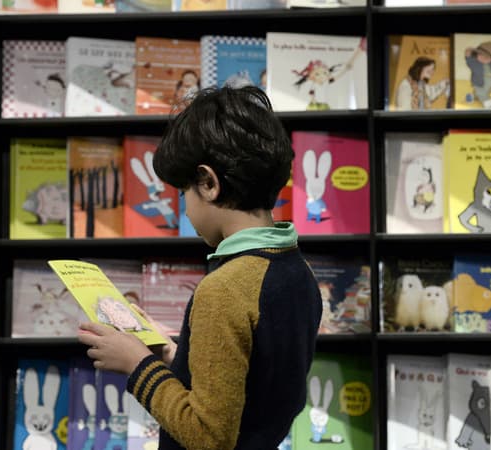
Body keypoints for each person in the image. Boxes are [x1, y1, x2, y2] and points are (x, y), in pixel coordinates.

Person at [78, 86, 323, 450]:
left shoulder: (224, 289)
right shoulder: (297, 272)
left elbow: (209, 436)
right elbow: (259, 384)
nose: (185, 210)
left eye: (183, 193)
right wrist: (178, 356)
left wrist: (138, 365)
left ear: (208, 183)